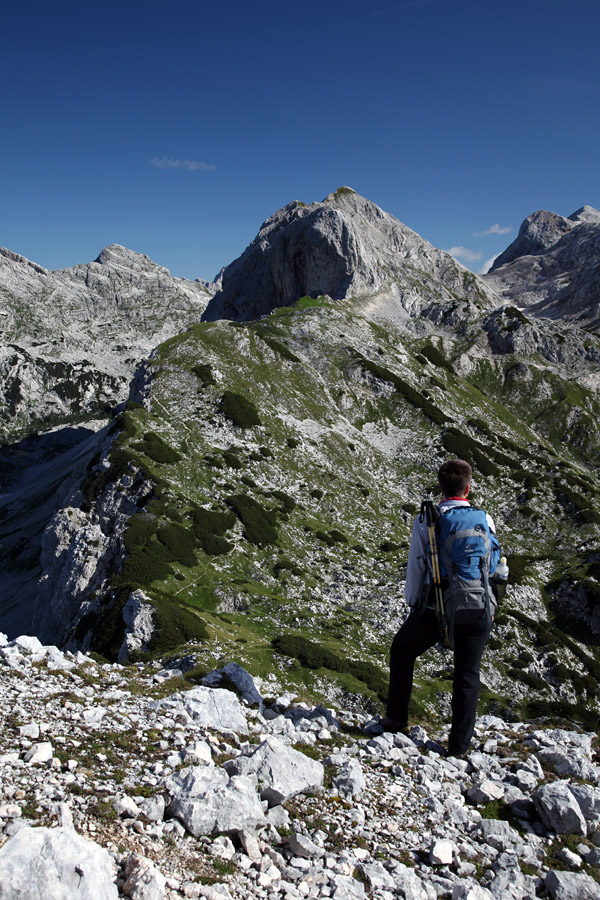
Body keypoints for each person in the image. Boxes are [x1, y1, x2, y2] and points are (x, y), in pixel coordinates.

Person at [382, 459, 503, 757]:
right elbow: (497, 564)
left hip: (438, 607)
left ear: (440, 486)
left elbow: (416, 565)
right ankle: (459, 748)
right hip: (479, 606)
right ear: (468, 487)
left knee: (402, 650)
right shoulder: (484, 518)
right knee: (467, 674)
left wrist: (414, 604)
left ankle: (396, 719)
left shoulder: (428, 518)